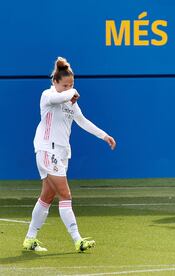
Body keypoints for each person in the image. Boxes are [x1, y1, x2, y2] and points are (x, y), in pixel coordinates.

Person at [23, 57, 116, 252]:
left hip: (61, 153)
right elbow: (59, 97)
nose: (69, 88)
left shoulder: (70, 102)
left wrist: (104, 136)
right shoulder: (47, 95)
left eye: (72, 84)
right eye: (65, 85)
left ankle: (29, 239)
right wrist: (72, 92)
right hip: (48, 150)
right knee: (65, 194)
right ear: (55, 82)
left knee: (47, 197)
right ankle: (77, 240)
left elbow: (83, 121)